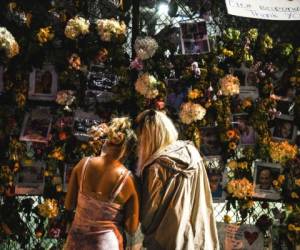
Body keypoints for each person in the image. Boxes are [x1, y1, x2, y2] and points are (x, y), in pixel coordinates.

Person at [136, 109, 219, 250]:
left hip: (167, 241)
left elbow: (149, 213)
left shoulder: (155, 167)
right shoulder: (192, 153)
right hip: (199, 236)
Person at [64, 117, 139, 250]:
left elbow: (69, 204)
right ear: (127, 150)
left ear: (106, 140)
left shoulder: (83, 164)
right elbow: (131, 227)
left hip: (76, 242)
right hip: (107, 244)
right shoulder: (127, 180)